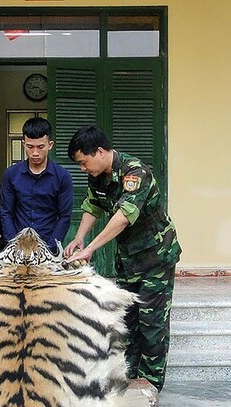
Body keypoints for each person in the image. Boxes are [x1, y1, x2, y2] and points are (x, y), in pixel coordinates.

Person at [63, 125, 181, 393]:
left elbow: (123, 217)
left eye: (84, 162)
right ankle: (128, 380)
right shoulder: (98, 176)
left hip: (155, 257)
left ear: (101, 152)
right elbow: (93, 205)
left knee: (152, 324)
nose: (83, 168)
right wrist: (80, 237)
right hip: (129, 259)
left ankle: (149, 386)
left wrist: (91, 248)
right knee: (128, 321)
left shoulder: (135, 172)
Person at [0, 117, 73, 250]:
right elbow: (6, 212)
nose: (35, 153)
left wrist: (50, 247)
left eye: (40, 147)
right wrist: (13, 245)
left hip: (49, 244)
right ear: (23, 144)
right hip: (17, 244)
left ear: (50, 145)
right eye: (30, 147)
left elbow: (64, 216)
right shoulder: (11, 174)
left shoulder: (62, 176)